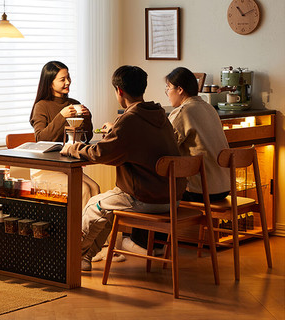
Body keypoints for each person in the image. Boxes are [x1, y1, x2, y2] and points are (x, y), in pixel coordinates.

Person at [60, 65, 186, 271]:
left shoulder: (130, 119)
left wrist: (74, 148)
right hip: (171, 197)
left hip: (144, 198)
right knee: (107, 206)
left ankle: (68, 255)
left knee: (94, 206)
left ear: (119, 91)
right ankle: (85, 258)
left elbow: (100, 153)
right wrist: (115, 130)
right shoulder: (160, 115)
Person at [129, 66, 230, 251]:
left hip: (202, 190)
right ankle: (155, 243)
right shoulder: (209, 108)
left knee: (154, 188)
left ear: (180, 89)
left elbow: (164, 145)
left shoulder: (184, 111)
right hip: (223, 187)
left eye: (168, 88)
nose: (167, 93)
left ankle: (145, 244)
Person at [30, 61, 100, 207]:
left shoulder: (74, 103)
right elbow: (41, 138)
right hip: (45, 169)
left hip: (67, 167)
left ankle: (92, 230)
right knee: (84, 190)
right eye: (62, 79)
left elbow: (86, 137)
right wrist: (61, 117)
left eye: (68, 78)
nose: (68, 82)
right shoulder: (41, 106)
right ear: (50, 83)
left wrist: (87, 118)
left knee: (95, 188)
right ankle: (79, 229)